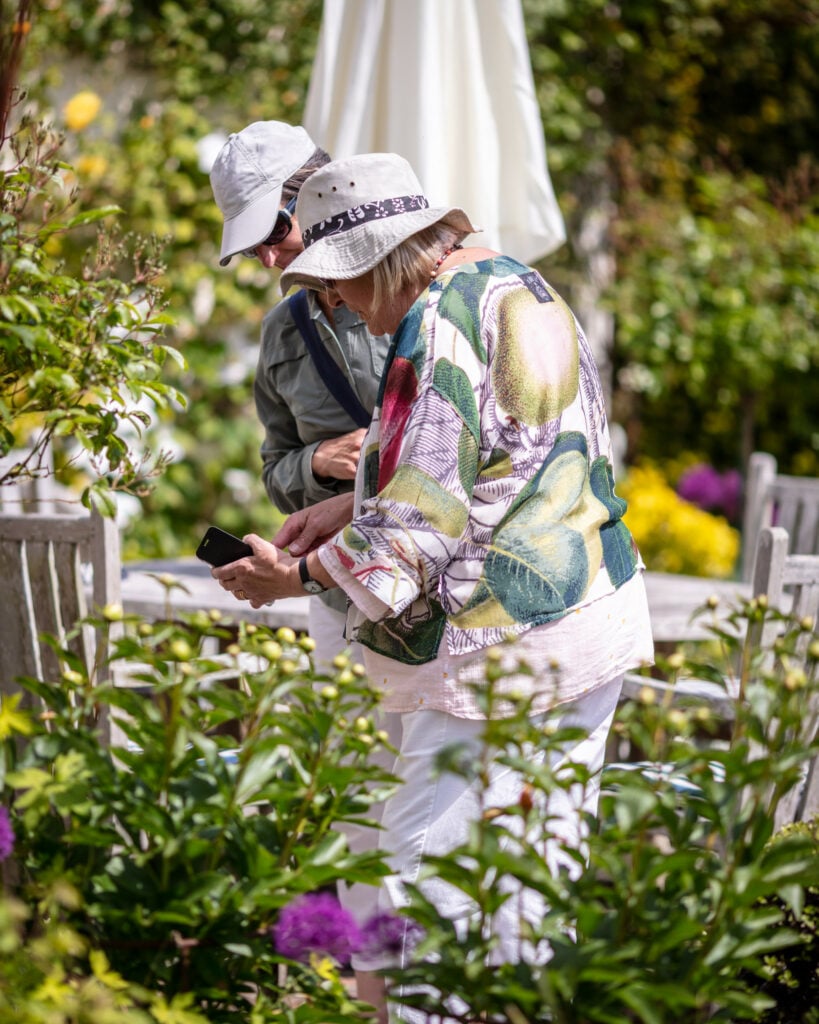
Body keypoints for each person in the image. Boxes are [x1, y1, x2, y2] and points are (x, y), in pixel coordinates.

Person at [211, 152, 654, 1023]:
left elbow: (414, 534)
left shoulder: (433, 325)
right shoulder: (519, 286)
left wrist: (289, 575)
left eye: (338, 283)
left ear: (378, 258)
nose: (334, 302)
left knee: (425, 893)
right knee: (532, 888)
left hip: (492, 655)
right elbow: (509, 458)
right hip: (585, 618)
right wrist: (350, 504)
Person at [208, 121, 391, 666]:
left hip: (427, 583)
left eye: (273, 231)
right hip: (334, 595)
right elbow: (275, 469)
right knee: (345, 752)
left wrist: (375, 459)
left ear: (316, 196)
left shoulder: (412, 300)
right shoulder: (281, 330)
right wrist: (317, 464)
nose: (267, 260)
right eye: (250, 250)